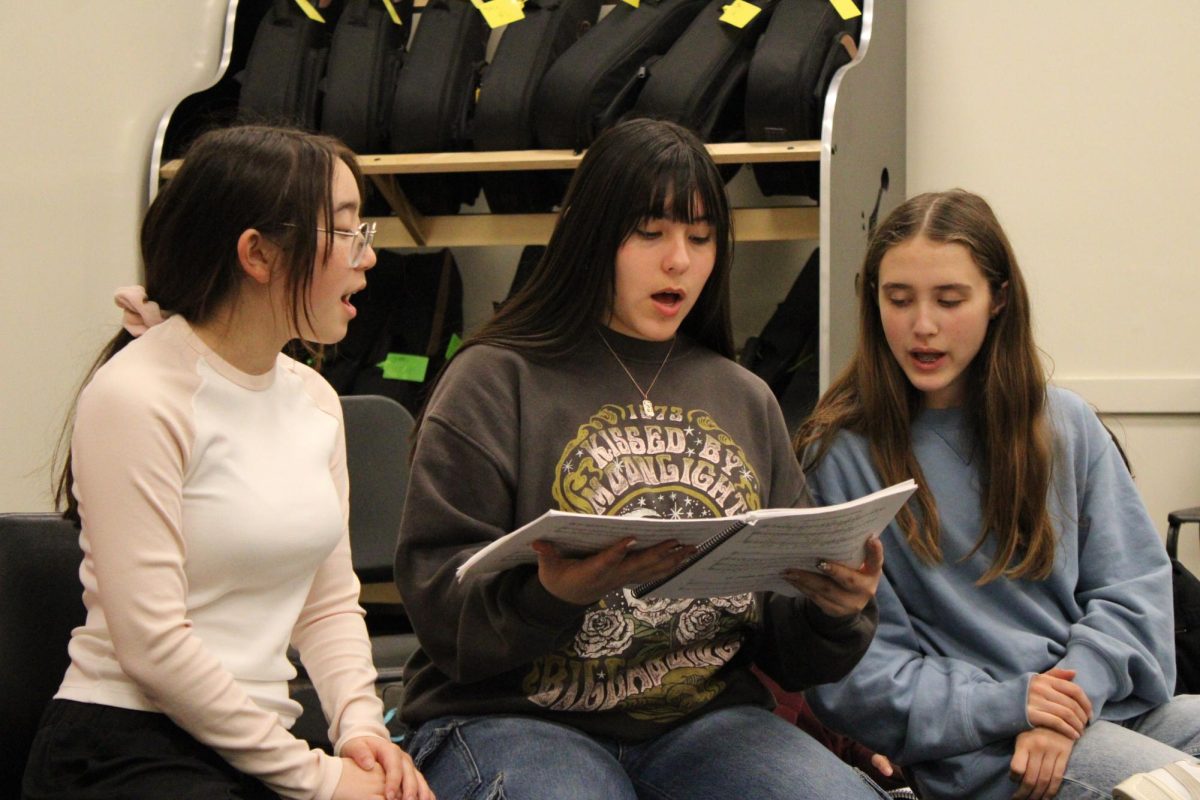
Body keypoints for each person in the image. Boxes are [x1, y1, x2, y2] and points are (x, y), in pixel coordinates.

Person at [391, 117, 889, 800]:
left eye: (701, 237)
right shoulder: (493, 378)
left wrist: (835, 611)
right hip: (512, 717)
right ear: (593, 236)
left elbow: (784, 651)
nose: (679, 260)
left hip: (705, 721)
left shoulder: (743, 397)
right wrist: (550, 597)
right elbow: (443, 617)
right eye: (650, 233)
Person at [24, 126, 433, 800]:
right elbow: (153, 645)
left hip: (255, 745)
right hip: (127, 746)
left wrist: (362, 732)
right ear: (259, 253)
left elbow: (327, 604)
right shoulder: (138, 394)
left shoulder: (314, 401)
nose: (367, 258)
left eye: (366, 230)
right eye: (346, 230)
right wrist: (318, 779)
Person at [798, 189, 1200, 800]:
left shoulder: (1065, 425)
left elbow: (1135, 599)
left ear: (998, 300)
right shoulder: (839, 456)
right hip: (981, 749)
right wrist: (1017, 706)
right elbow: (864, 681)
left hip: (1095, 709)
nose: (922, 326)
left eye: (950, 300)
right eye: (898, 299)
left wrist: (1066, 702)